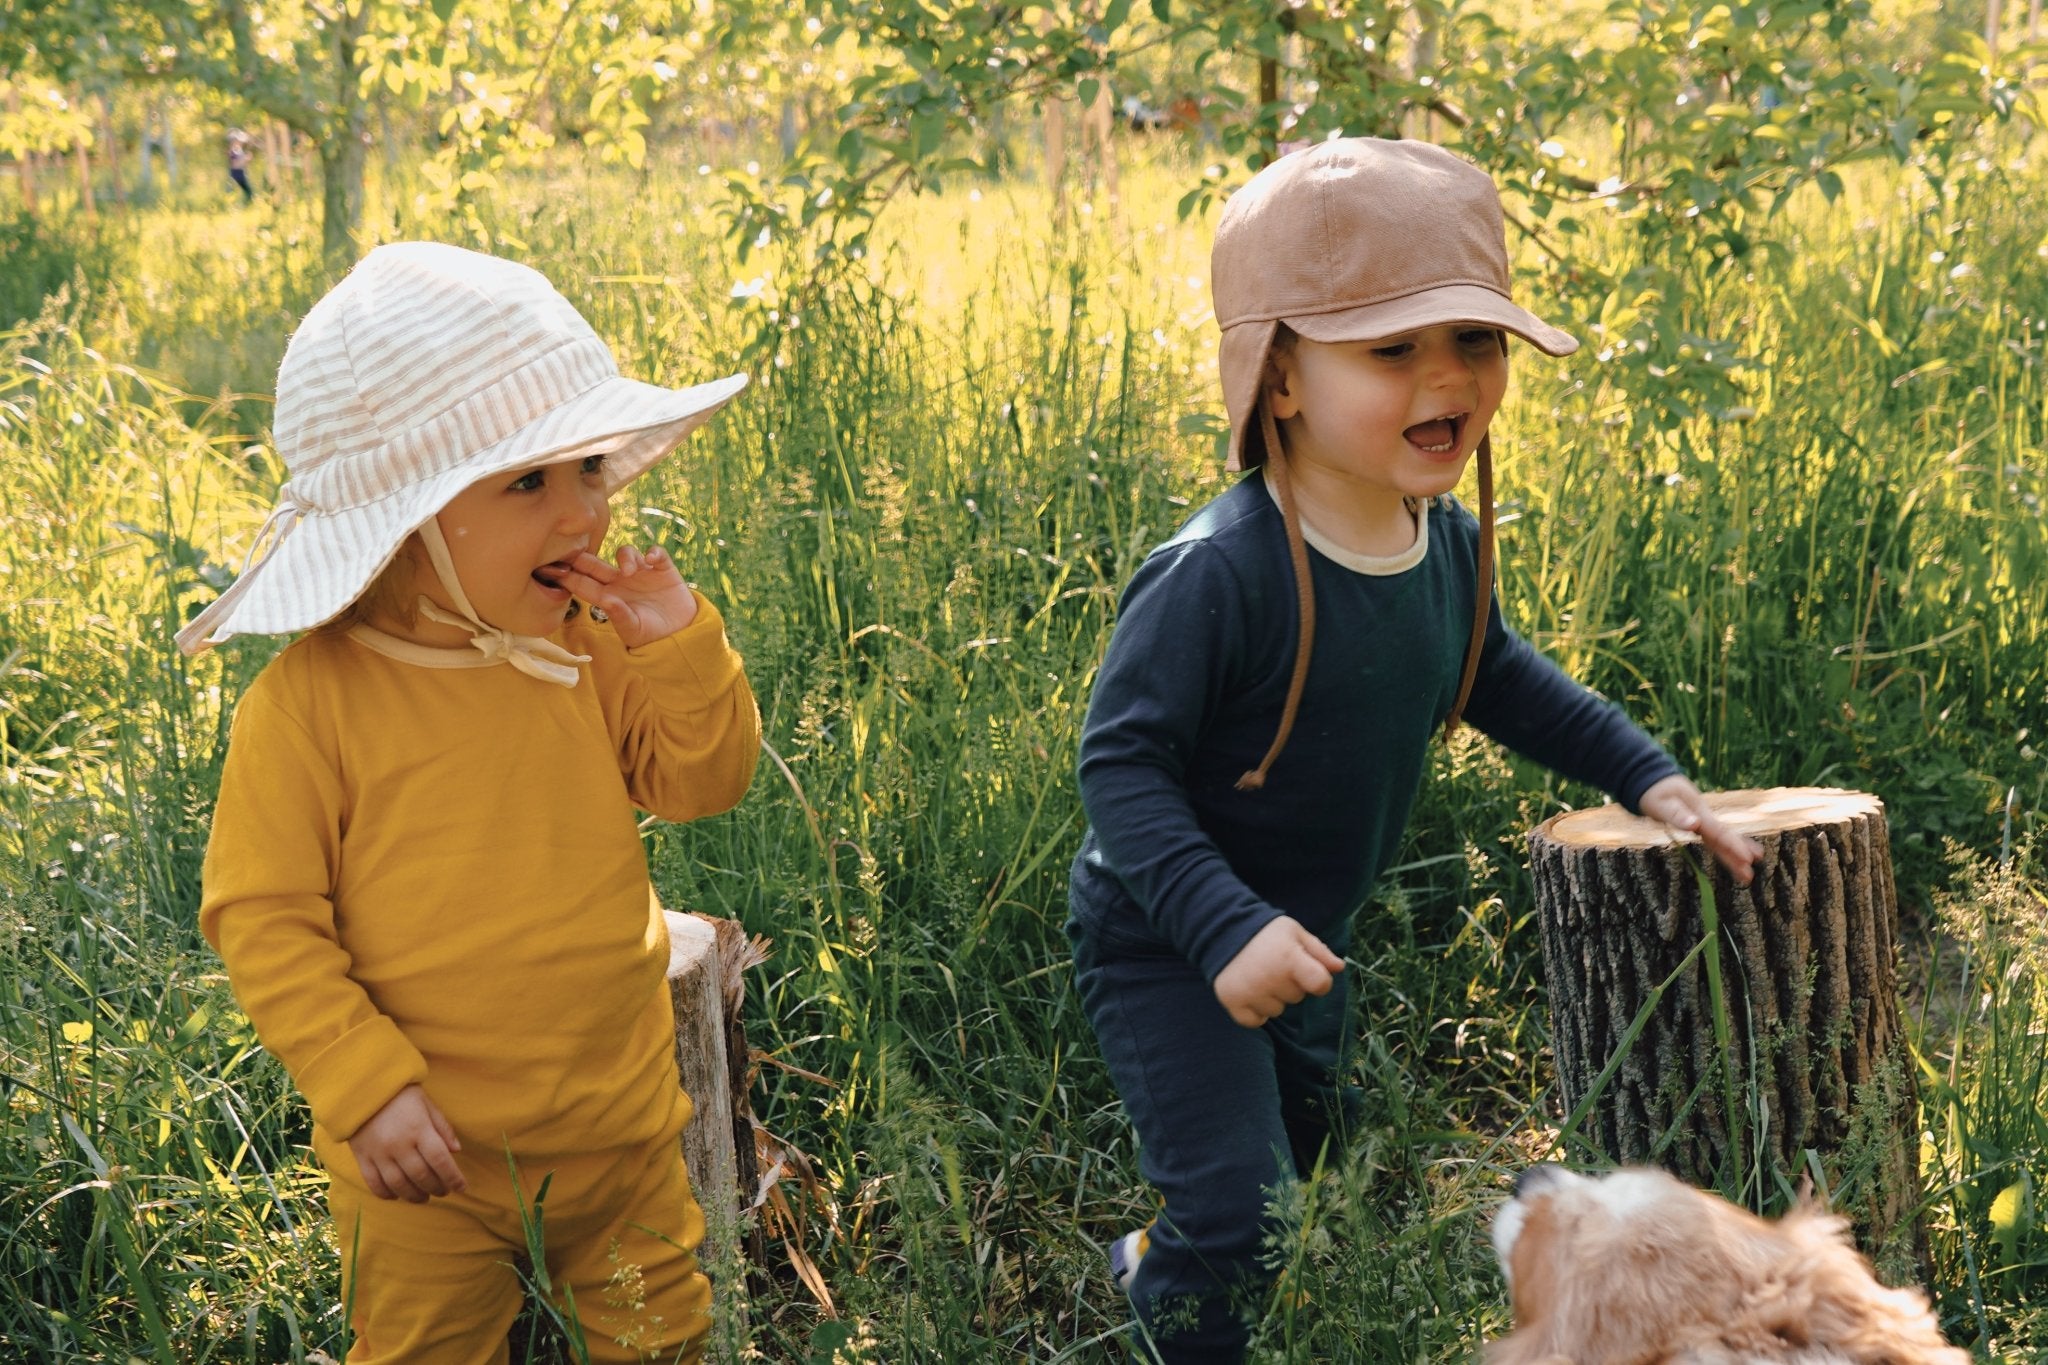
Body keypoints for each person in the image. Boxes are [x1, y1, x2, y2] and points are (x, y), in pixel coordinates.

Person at [1065, 138, 1765, 1364]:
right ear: (1276, 377)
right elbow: (1117, 767)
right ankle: (1165, 1300)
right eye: (1392, 350)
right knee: (1244, 1216)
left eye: (1474, 344)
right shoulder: (1216, 575)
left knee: (1304, 1167)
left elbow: (1495, 674)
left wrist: (1641, 771)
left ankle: (1178, 1239)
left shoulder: (1433, 543)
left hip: (1307, 937)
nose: (1447, 379)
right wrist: (1220, 928)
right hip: (1169, 936)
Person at [179, 241, 759, 1363]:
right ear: (405, 523)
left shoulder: (583, 651)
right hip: (424, 1158)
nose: (583, 512)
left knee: (662, 1338)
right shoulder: (309, 708)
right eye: (527, 481)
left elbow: (703, 781)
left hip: (621, 1124)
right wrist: (364, 1088)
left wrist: (676, 647)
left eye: (588, 466)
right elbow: (264, 916)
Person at [226, 129, 253, 203]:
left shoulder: (238, 149)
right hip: (236, 173)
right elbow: (235, 164)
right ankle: (234, 204)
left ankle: (246, 204)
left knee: (248, 191)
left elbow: (243, 163)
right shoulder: (234, 150)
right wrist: (245, 159)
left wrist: (247, 159)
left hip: (240, 172)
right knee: (247, 191)